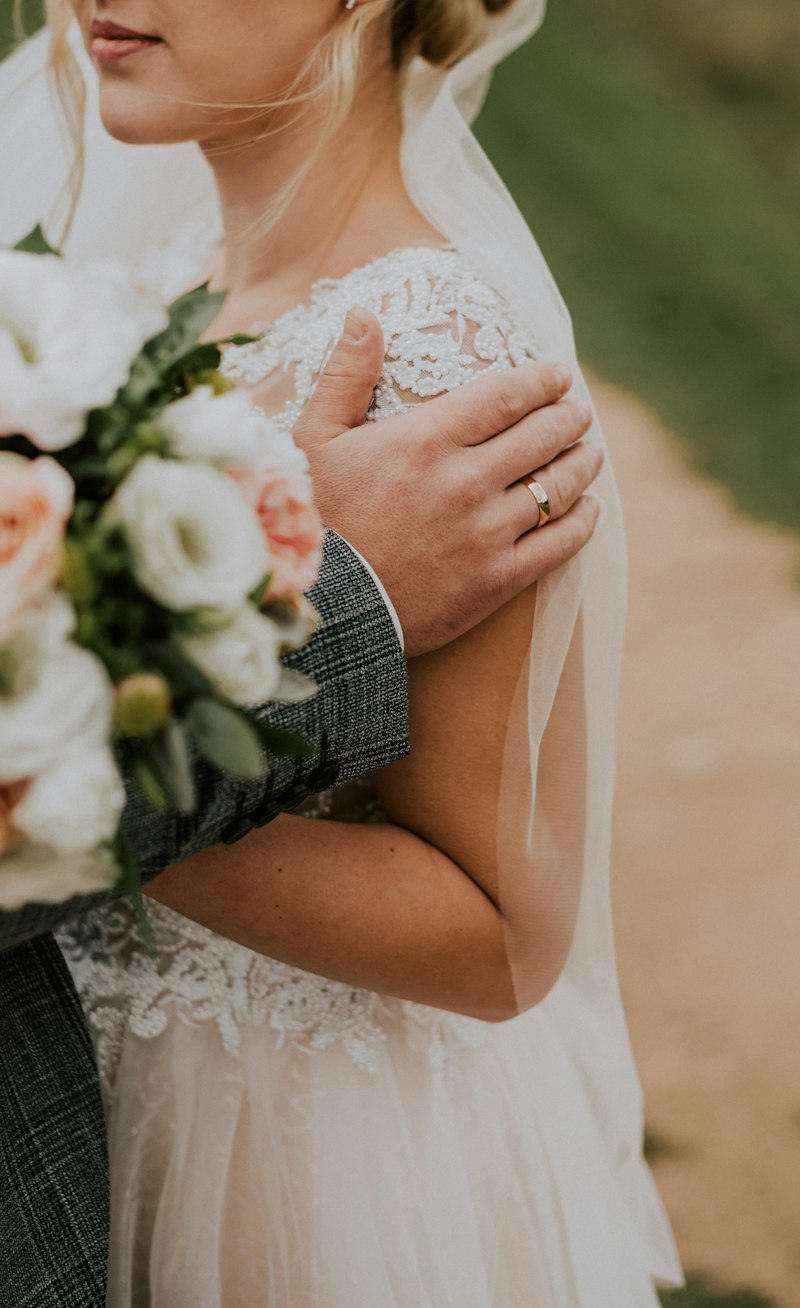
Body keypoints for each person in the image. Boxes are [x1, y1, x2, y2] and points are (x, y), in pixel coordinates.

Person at [4, 0, 684, 1302]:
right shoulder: (137, 307)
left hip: (286, 1166)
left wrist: (63, 808)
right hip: (69, 1098)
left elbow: (499, 937)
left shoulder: (434, 352)